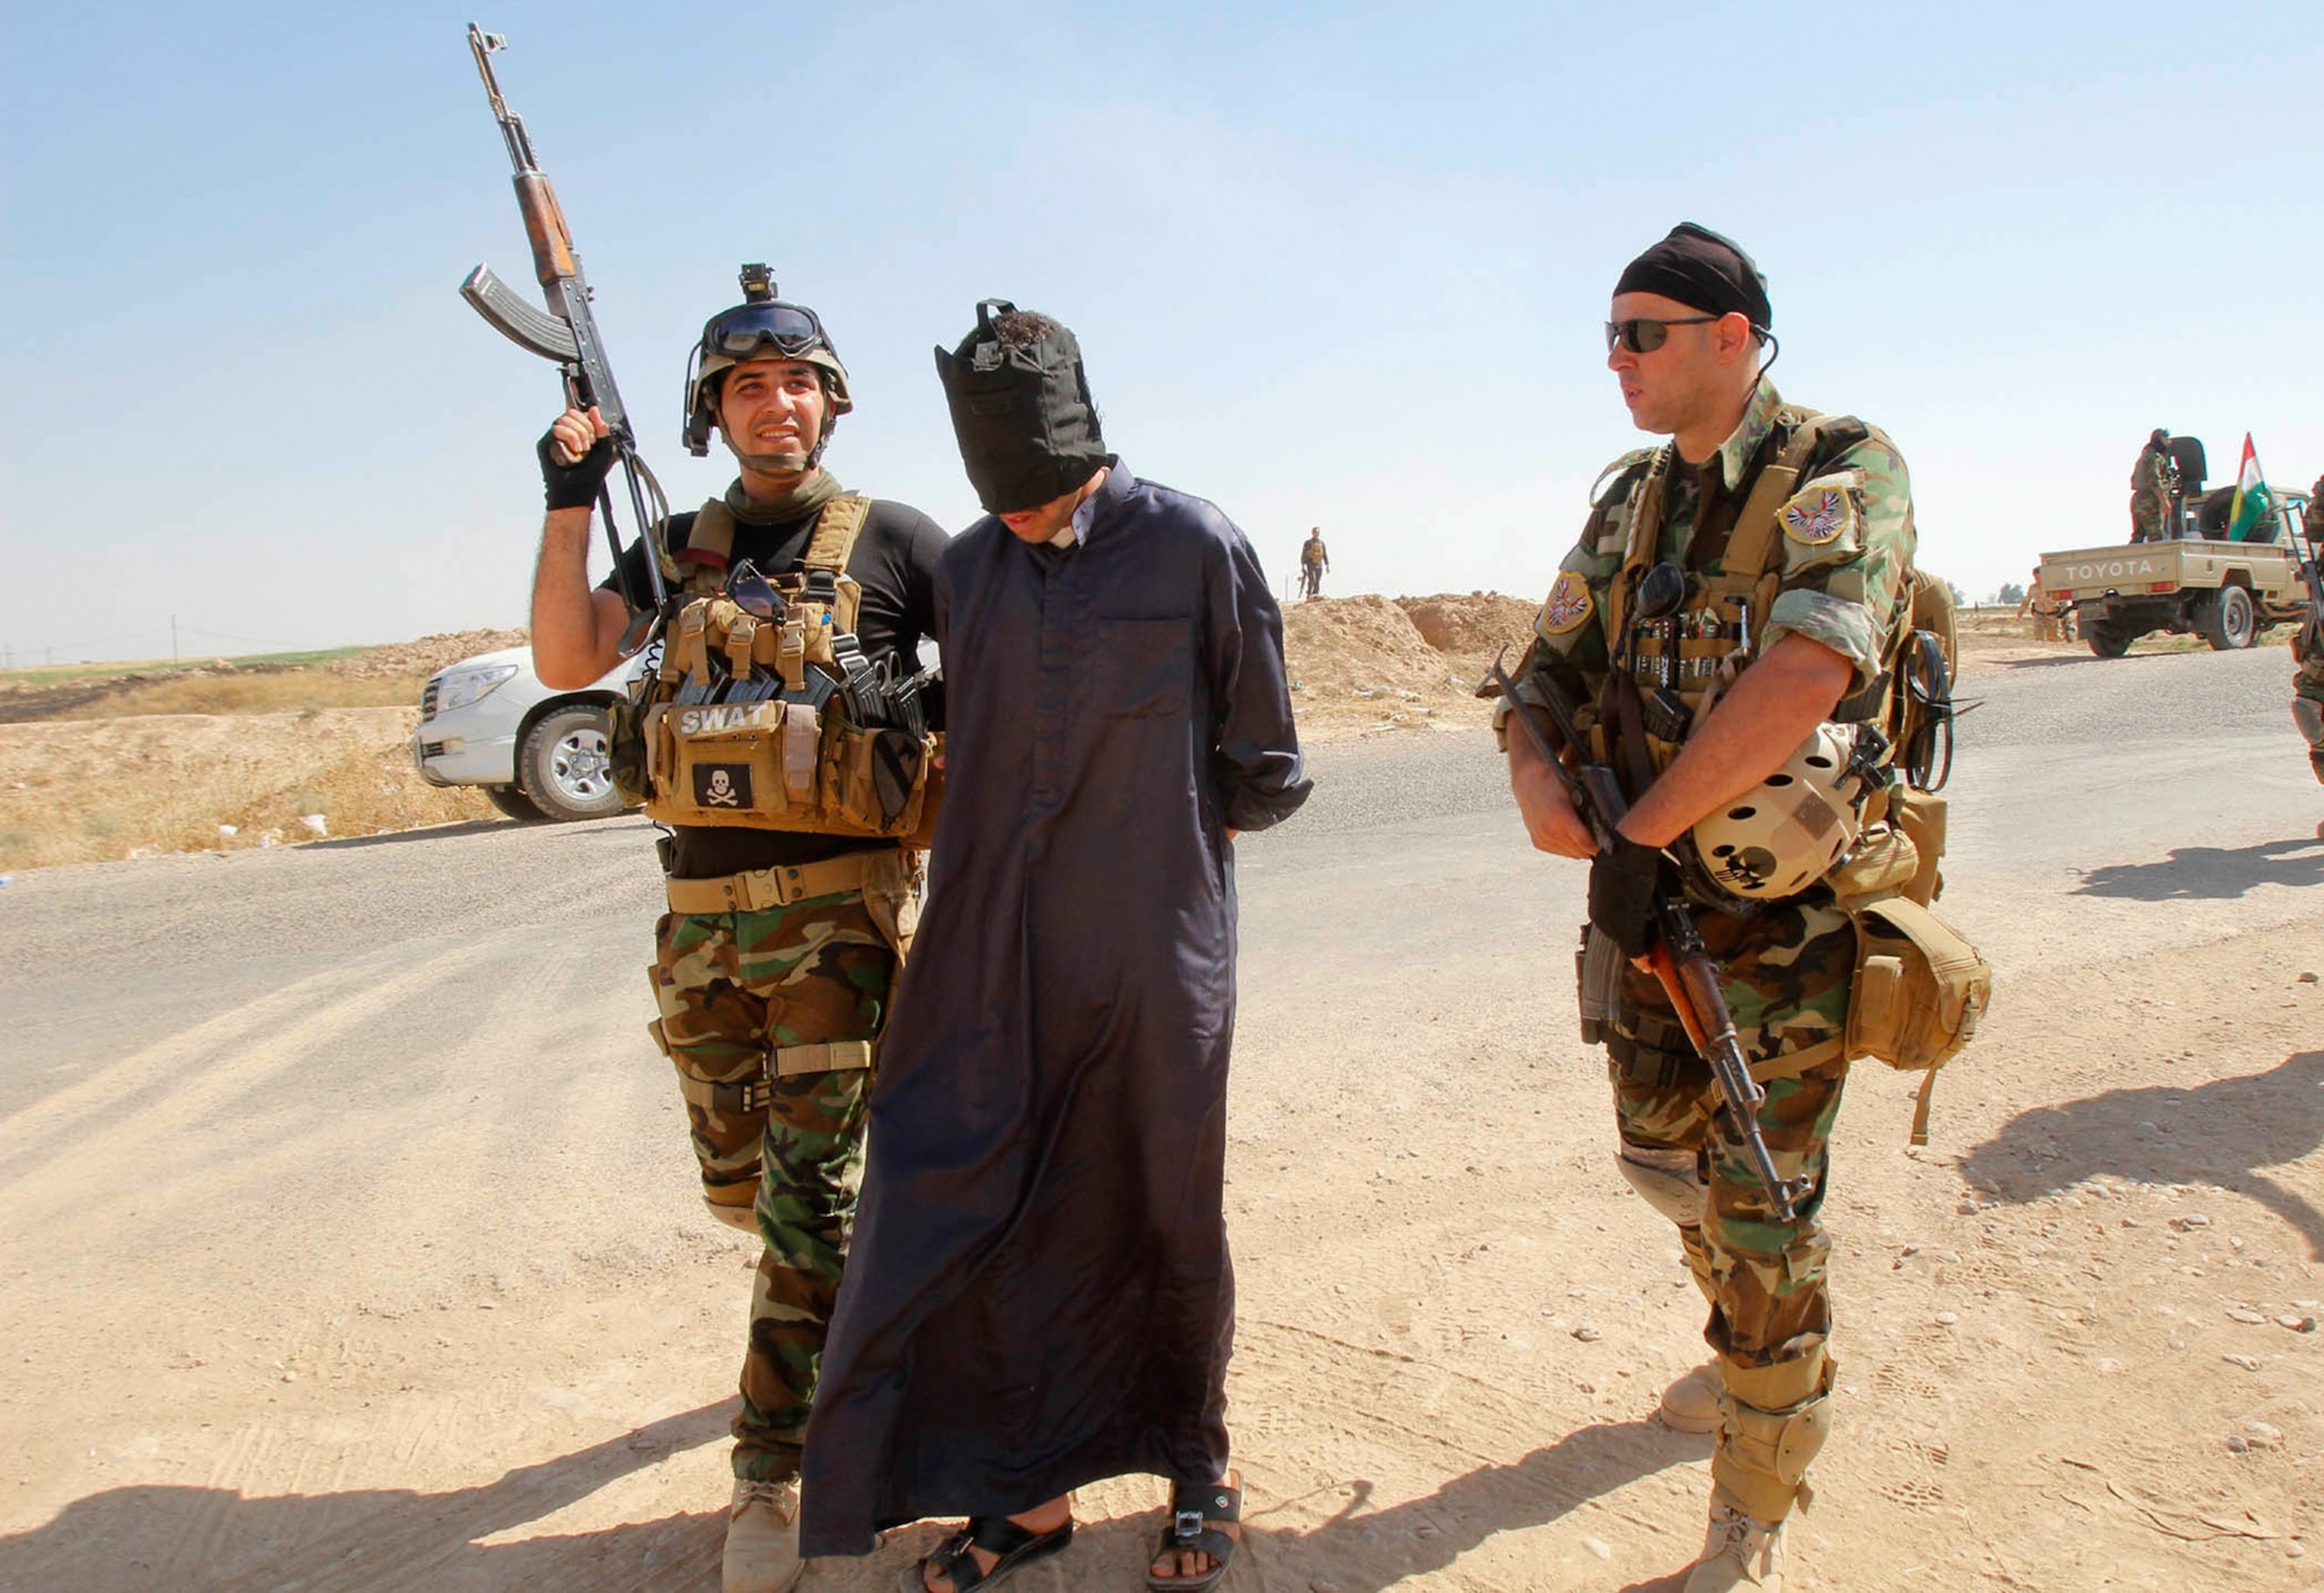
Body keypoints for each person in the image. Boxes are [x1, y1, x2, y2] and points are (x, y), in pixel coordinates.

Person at [797, 301, 1311, 1593]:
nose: (1020, 518)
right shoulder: (970, 567)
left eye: (1039, 494)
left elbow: (1265, 765)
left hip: (1149, 947)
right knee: (969, 1191)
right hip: (987, 947)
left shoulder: (1194, 543)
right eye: (1000, 500)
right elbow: (963, 721)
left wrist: (1147, 829)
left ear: (1084, 443)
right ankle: (1026, 1494)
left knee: (1158, 1199)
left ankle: (1197, 1466)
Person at [1502, 223, 1916, 1591]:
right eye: (1611, 336)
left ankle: (1752, 1511)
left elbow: (1809, 670)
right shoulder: (1631, 500)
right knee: (1660, 1158)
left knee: (1763, 1210)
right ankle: (1744, 1351)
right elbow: (1544, 668)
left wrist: (1639, 828)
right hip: (1644, 911)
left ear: (1731, 338)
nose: (1617, 360)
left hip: (1781, 918)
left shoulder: (1840, 469)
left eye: (1643, 334)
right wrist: (1533, 773)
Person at [530, 269, 947, 1593]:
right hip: (700, 935)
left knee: (807, 1204)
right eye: (749, 386)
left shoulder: (898, 542)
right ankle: (835, 1317)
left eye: (799, 383)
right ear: (714, 413)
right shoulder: (678, 550)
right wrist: (568, 499)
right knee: (742, 1193)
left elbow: (1007, 680)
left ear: (833, 403)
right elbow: (564, 661)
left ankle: (770, 1470)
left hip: (840, 929)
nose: (778, 404)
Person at [2130, 428, 2177, 542]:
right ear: (2160, 439)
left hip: (2140, 499)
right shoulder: (2154, 457)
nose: (2169, 442)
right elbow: (2154, 480)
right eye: (2166, 439)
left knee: (2139, 535)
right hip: (2150, 499)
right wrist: (2164, 501)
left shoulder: (2146, 455)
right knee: (2155, 536)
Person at [2016, 564, 2065, 642]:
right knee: (2038, 637)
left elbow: (2063, 602)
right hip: (2038, 615)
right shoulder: (2033, 588)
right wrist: (2020, 613)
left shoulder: (2053, 587)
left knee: (2053, 637)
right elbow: (2026, 601)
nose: (2037, 579)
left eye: (2038, 577)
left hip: (2052, 616)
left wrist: (2064, 616)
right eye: (2035, 577)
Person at [1299, 526, 1330, 599]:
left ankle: (1315, 594)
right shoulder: (1308, 543)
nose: (1316, 534)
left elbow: (1324, 554)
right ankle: (1309, 592)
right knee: (1312, 579)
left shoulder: (1321, 543)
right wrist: (1303, 565)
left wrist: (1327, 565)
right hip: (1310, 563)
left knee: (1318, 580)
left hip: (1319, 563)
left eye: (1318, 532)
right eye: (1315, 532)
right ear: (1312, 533)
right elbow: (1304, 554)